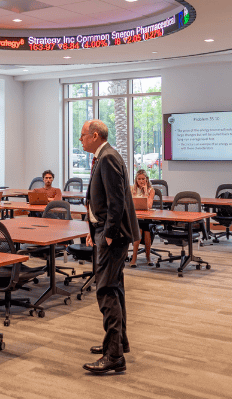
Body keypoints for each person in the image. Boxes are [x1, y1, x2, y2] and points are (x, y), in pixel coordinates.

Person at [80, 119, 140, 374]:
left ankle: (113, 355)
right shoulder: (103, 156)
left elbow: (117, 201)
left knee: (105, 290)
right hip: (104, 231)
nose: (80, 139)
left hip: (112, 235)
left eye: (83, 135)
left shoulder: (108, 157)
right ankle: (118, 343)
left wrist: (109, 235)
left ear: (95, 135)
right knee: (115, 288)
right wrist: (94, 229)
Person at [128, 169, 155, 268]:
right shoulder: (132, 189)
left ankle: (148, 256)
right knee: (139, 228)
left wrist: (145, 192)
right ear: (136, 180)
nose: (141, 181)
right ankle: (134, 257)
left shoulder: (151, 190)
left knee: (146, 230)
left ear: (147, 179)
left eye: (143, 179)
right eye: (139, 179)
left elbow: (149, 205)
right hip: (135, 216)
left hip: (147, 217)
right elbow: (128, 203)